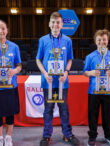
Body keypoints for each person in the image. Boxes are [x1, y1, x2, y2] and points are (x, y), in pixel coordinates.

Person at [36, 12, 80, 146]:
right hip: (48, 81)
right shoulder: (43, 40)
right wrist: (44, 73)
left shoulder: (68, 40)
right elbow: (38, 59)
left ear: (62, 25)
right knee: (48, 109)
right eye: (53, 22)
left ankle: (67, 134)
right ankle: (46, 136)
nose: (56, 25)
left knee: (64, 109)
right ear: (49, 24)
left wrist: (66, 71)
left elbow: (70, 60)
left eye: (58, 22)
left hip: (62, 82)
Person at [83, 29, 110, 146]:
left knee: (107, 114)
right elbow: (85, 72)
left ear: (107, 41)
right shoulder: (90, 57)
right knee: (92, 114)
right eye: (99, 40)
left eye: (104, 39)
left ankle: (109, 136)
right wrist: (92, 73)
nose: (102, 42)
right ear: (95, 41)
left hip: (109, 90)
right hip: (94, 90)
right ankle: (92, 136)